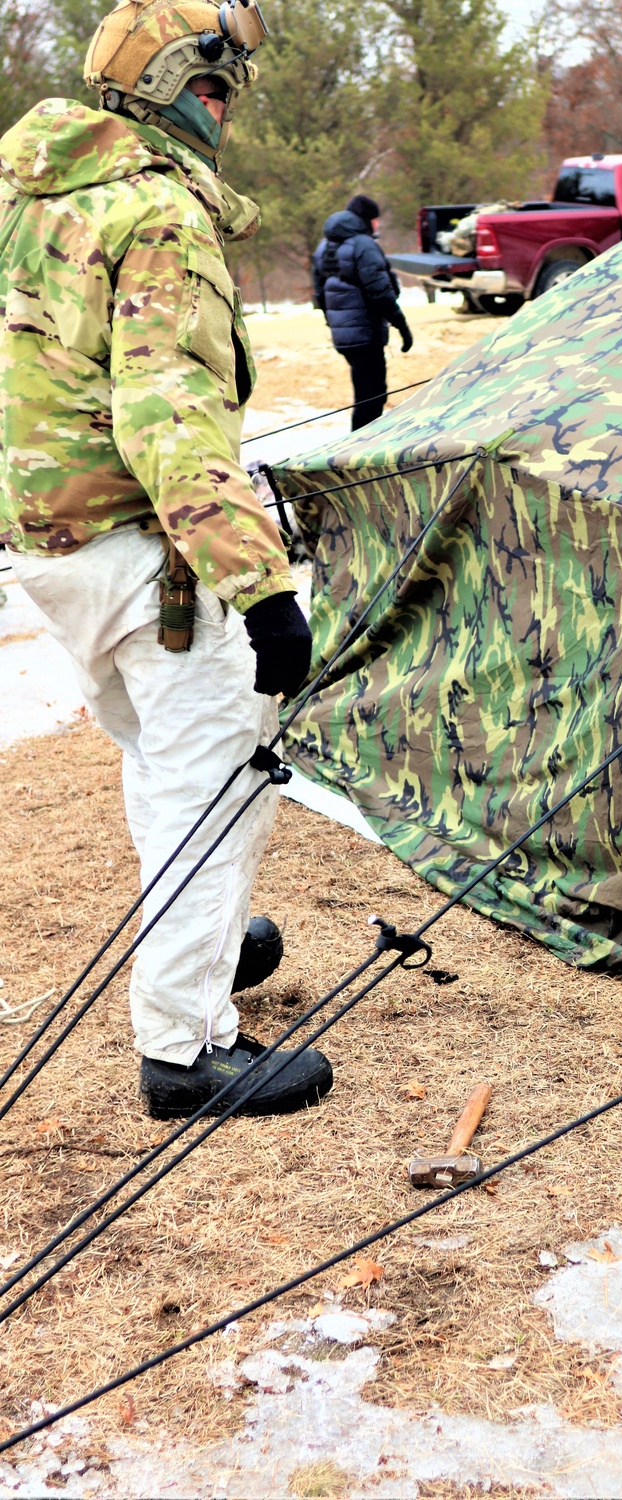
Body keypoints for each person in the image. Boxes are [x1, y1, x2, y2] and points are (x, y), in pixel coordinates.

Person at [0, 0, 333, 1119]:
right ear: (185, 87)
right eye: (221, 85)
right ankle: (188, 1051)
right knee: (215, 792)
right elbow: (169, 418)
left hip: (55, 551)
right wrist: (263, 586)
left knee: (158, 758)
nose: (228, 109)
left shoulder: (26, 195)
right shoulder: (157, 212)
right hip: (155, 559)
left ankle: (205, 945)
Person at [312, 194, 413, 430]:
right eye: (376, 219)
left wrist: (333, 324)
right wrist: (402, 326)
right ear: (367, 219)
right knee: (372, 396)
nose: (377, 225)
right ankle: (360, 451)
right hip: (366, 333)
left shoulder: (324, 246)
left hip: (345, 336)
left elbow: (319, 294)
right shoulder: (363, 245)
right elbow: (381, 292)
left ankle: (361, 446)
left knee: (366, 392)